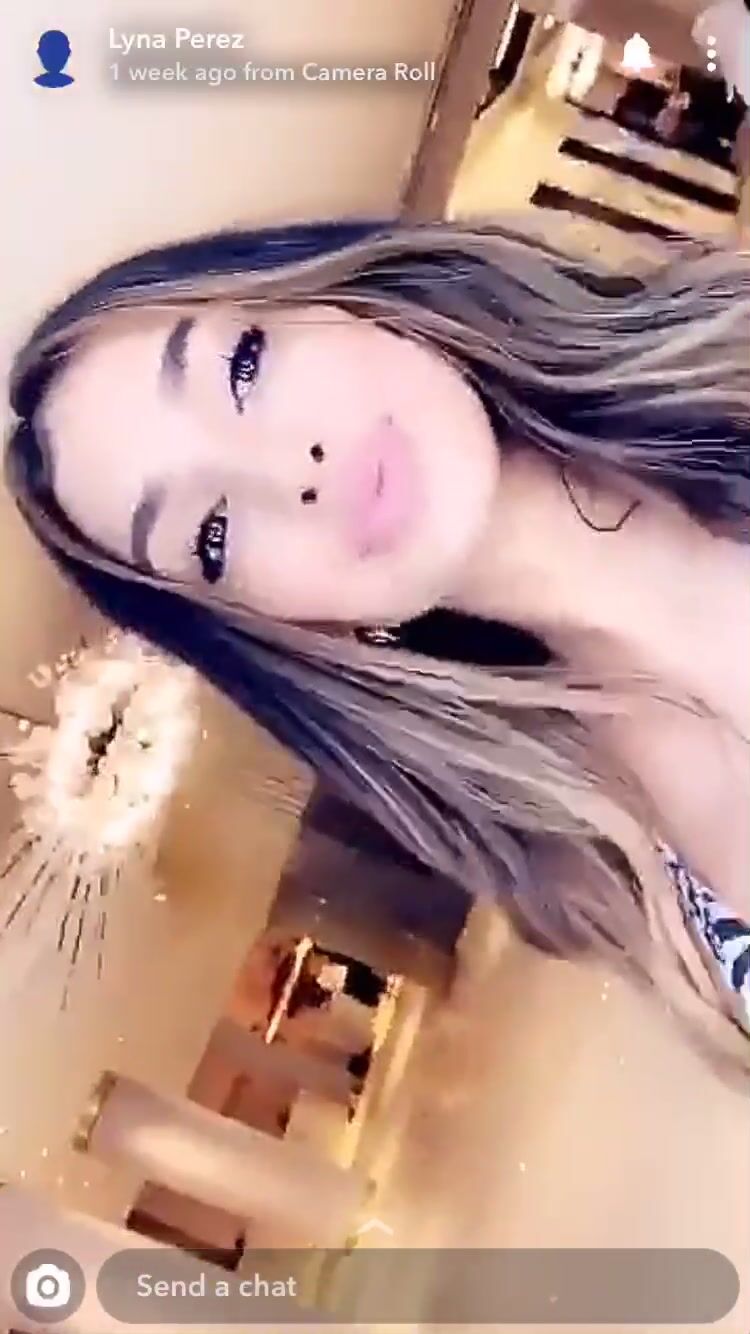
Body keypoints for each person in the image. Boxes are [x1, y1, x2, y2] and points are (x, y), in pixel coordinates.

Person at [5, 219, 750, 1080]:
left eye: (243, 367)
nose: (291, 472)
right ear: (281, 627)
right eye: (212, 534)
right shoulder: (609, 871)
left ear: (343, 297)